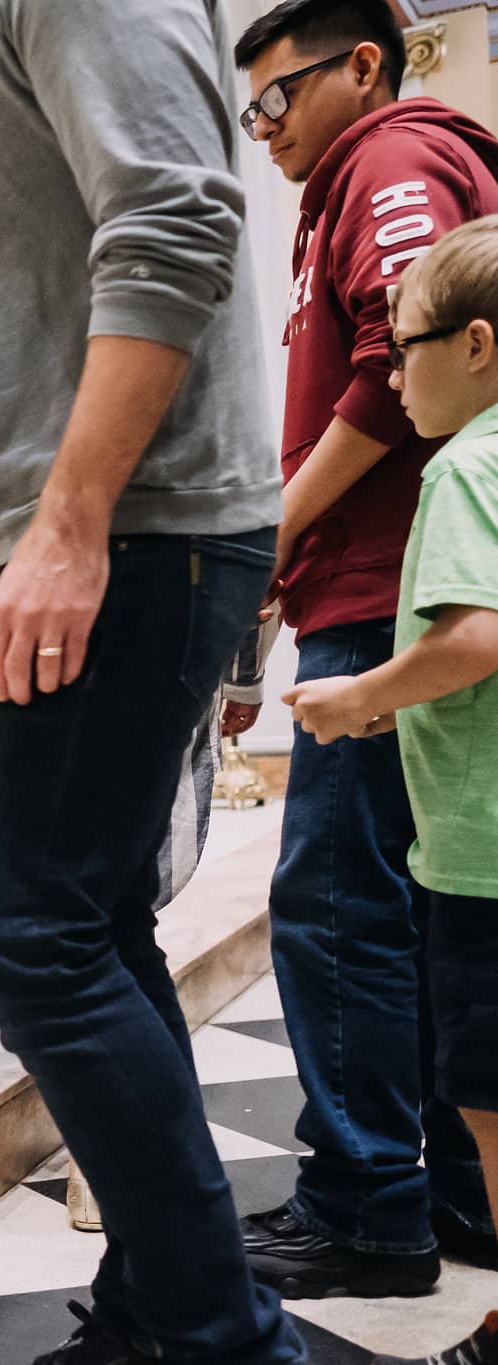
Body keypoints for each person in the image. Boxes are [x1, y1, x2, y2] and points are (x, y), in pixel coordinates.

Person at [0, 1, 303, 1361]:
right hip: (117, 525)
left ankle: (223, 1338)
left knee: (23, 935)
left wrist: (71, 515)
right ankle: (164, 1315)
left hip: (130, 524)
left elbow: (176, 219)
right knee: (86, 923)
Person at [229, 0, 498, 1295]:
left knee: (338, 908)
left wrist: (278, 531)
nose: (264, 126)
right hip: (374, 578)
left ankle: (364, 1205)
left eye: (278, 95)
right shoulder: (359, 177)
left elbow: (403, 355)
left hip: (391, 594)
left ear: (364, 66)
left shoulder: (388, 163)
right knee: (407, 913)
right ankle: (447, 1192)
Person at [283, 221, 498, 1365]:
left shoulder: (463, 465)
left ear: (472, 345)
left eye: (401, 349)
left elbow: (472, 634)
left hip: (481, 848)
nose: (386, 372)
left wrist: (360, 695)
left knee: (486, 1100)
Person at [0, 460, 220, 1238]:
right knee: (115, 922)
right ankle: (164, 1254)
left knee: (32, 937)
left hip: (53, 610)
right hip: (181, 588)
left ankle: (151, 1218)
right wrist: (239, 673)